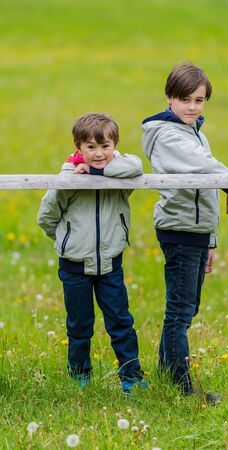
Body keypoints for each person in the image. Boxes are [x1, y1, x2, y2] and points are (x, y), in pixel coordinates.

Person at [141, 63, 228, 403]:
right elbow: (207, 170)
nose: (192, 107)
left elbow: (205, 194)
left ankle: (168, 374)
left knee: (186, 309)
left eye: (198, 100)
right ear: (169, 99)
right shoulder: (169, 136)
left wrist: (210, 240)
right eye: (184, 99)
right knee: (180, 311)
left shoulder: (195, 132)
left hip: (195, 231)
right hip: (179, 229)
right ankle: (181, 388)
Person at [38, 112, 147, 392]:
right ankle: (79, 375)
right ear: (78, 147)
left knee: (121, 322)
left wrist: (98, 172)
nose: (99, 153)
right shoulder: (68, 179)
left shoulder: (120, 170)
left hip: (110, 264)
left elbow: (135, 166)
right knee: (79, 324)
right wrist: (66, 241)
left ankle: (132, 377)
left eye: (105, 146)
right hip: (74, 265)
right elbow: (47, 217)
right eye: (90, 147)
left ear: (114, 146)